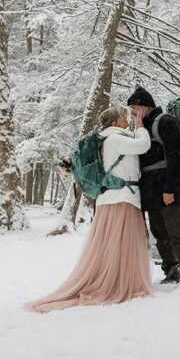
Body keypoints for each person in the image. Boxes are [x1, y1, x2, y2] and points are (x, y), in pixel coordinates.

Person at [27, 106, 153, 312]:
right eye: (123, 117)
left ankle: (115, 279)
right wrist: (140, 126)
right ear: (114, 122)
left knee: (114, 244)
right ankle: (115, 284)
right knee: (121, 243)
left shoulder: (106, 138)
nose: (126, 119)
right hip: (120, 198)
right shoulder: (114, 139)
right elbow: (142, 145)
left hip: (111, 198)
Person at [127, 86, 180, 283]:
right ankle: (171, 272)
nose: (132, 112)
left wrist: (170, 189)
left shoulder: (166, 122)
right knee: (160, 234)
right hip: (150, 190)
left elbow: (176, 157)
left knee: (177, 232)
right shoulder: (142, 128)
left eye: (134, 108)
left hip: (167, 188)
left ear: (145, 106)